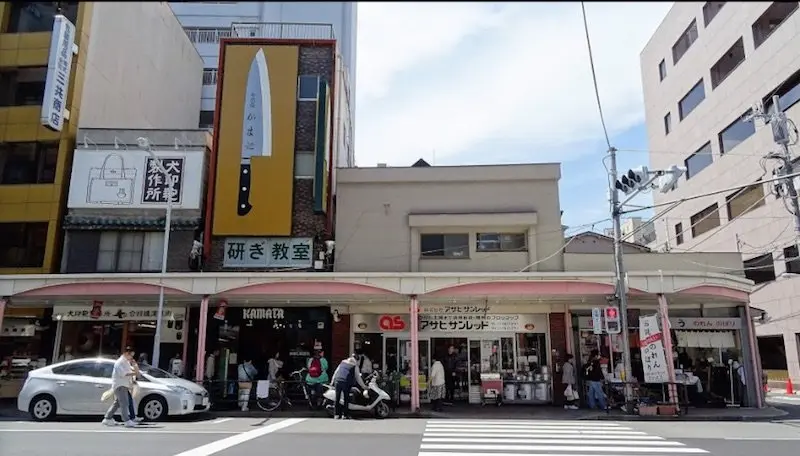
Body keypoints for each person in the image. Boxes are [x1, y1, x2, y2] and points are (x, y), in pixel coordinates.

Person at [102, 346, 137, 427]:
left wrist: (134, 370)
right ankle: (127, 420)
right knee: (125, 403)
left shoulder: (126, 362)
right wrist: (135, 373)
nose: (131, 357)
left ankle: (107, 418)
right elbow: (123, 374)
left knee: (118, 403)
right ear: (126, 353)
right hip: (120, 385)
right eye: (131, 355)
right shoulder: (119, 362)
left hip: (124, 385)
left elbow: (129, 371)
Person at [330, 354, 368, 420]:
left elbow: (336, 372)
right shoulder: (354, 365)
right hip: (346, 382)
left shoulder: (343, 362)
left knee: (337, 398)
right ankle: (344, 415)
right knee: (346, 399)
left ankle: (336, 415)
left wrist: (332, 382)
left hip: (337, 381)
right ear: (356, 360)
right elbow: (358, 378)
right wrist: (364, 386)